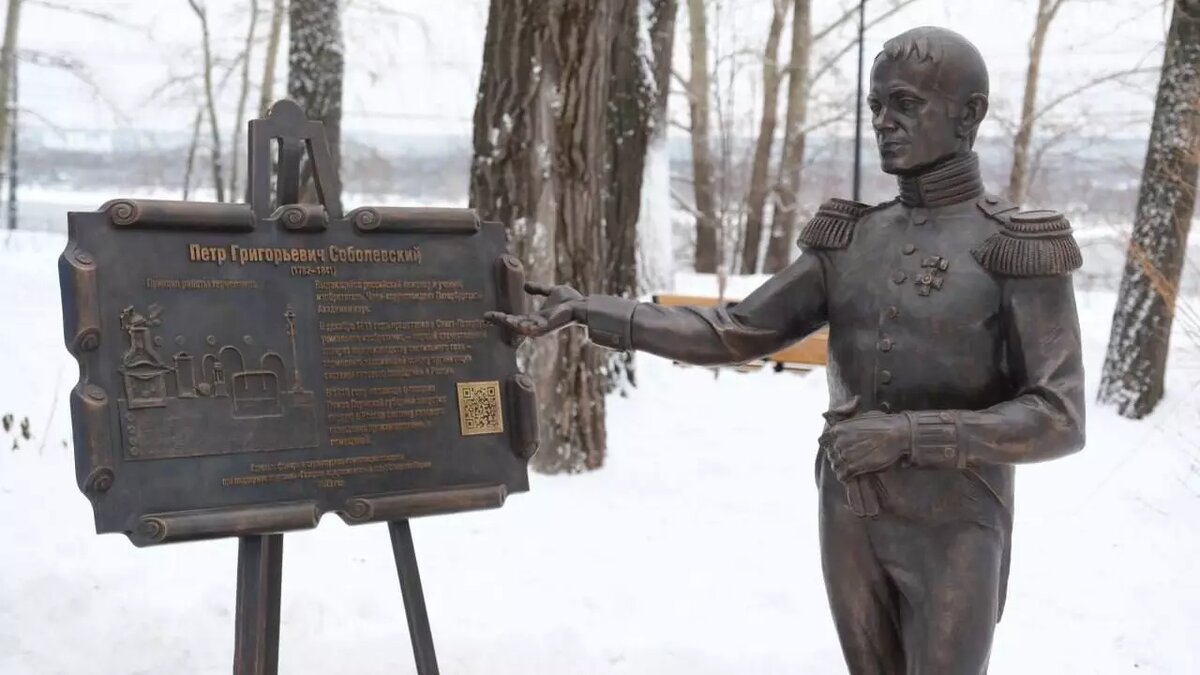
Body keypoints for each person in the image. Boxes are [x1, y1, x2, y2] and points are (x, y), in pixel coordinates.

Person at [486, 26, 1085, 675]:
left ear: (969, 114)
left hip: (958, 521)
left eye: (904, 104)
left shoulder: (1017, 247)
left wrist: (911, 435)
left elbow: (1059, 416)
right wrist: (592, 311)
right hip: (850, 512)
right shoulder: (851, 239)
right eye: (876, 105)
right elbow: (734, 329)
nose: (883, 121)